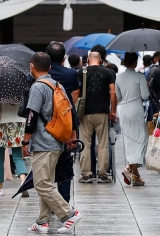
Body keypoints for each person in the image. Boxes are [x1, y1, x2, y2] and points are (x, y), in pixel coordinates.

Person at [24, 52, 82, 234]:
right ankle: (42, 221)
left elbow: (31, 116)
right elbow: (71, 112)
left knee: (41, 183)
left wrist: (25, 140)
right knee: (46, 181)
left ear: (32, 66)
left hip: (43, 142)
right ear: (49, 68)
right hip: (57, 140)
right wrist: (71, 135)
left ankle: (69, 213)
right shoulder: (58, 85)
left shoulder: (37, 87)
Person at [46, 41, 81, 202]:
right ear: (64, 57)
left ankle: (51, 202)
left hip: (46, 124)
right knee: (65, 162)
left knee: (47, 165)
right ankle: (64, 200)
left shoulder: (41, 75)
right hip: (66, 122)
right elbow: (73, 100)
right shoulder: (71, 74)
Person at [77, 50, 116, 183]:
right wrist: (113, 111)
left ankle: (86, 174)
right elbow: (113, 92)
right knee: (103, 143)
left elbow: (76, 91)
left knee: (86, 144)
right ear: (100, 60)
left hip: (85, 112)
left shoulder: (81, 72)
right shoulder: (108, 73)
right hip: (102, 111)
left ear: (88, 60)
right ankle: (103, 174)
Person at [116, 52, 150, 186]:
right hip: (136, 109)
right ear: (135, 62)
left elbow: (118, 95)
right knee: (141, 139)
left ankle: (135, 175)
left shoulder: (118, 77)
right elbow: (145, 95)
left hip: (124, 109)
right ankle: (129, 167)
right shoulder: (140, 76)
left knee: (129, 139)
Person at [0, 99, 28, 196]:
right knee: (18, 156)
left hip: (0, 123)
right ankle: (23, 182)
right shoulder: (20, 87)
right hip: (18, 122)